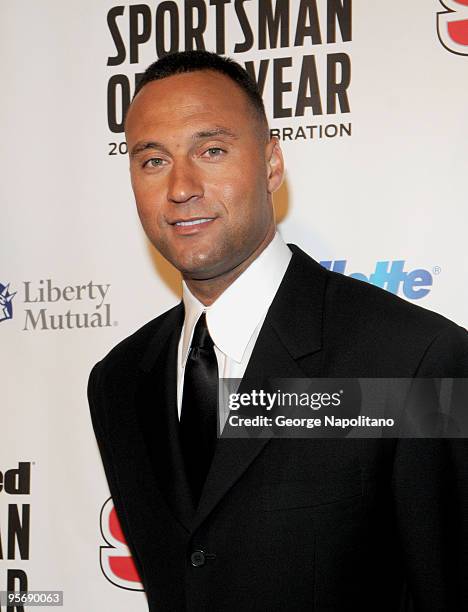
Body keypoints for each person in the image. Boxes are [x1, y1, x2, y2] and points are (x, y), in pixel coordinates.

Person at [88, 50, 468, 612]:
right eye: (152, 161)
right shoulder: (119, 383)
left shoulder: (412, 360)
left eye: (211, 151)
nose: (181, 186)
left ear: (271, 165)